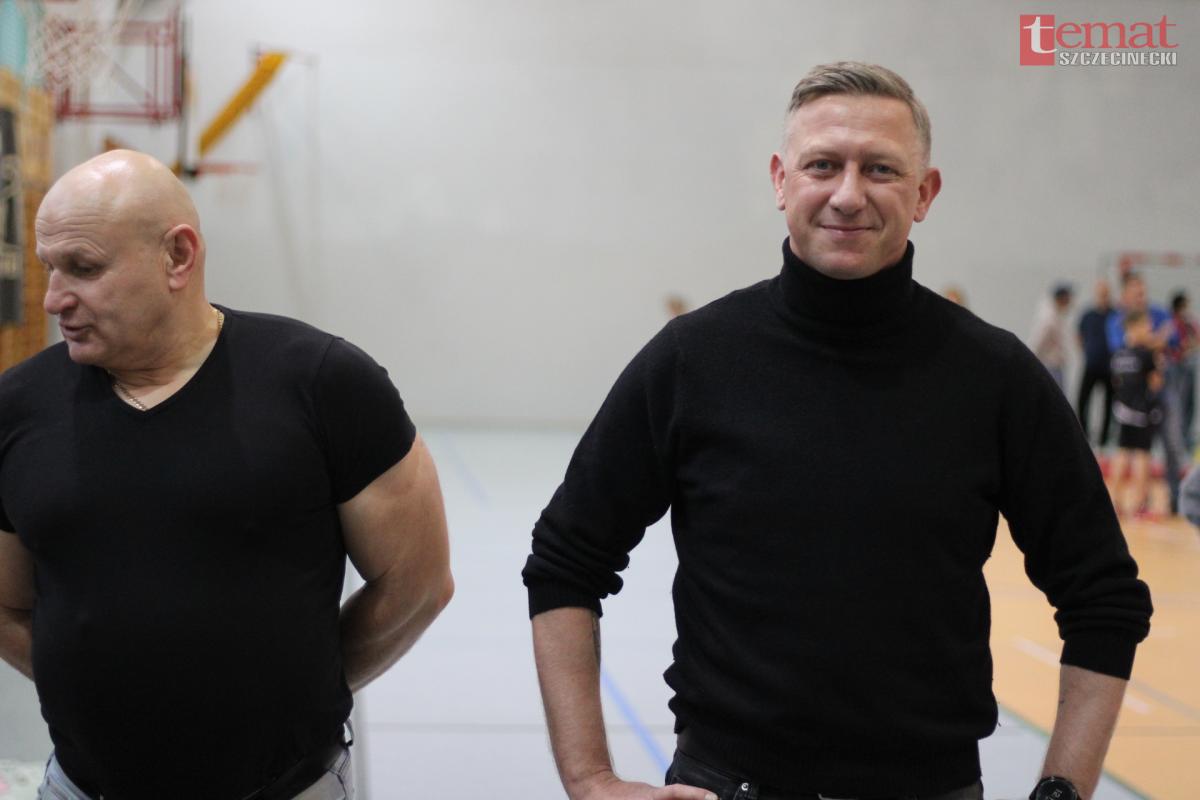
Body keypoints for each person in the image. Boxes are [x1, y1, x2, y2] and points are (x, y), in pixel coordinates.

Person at [522, 62, 1151, 800]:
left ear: (925, 193)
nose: (848, 194)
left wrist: (1063, 791)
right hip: (725, 785)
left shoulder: (996, 377)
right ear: (781, 180)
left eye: (880, 169)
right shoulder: (694, 360)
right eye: (823, 165)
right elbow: (565, 560)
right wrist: (590, 778)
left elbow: (1103, 597)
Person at [0, 150, 455, 800]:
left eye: (85, 268)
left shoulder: (322, 385)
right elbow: (6, 604)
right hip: (82, 788)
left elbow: (418, 583)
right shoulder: (18, 409)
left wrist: (302, 694)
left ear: (178, 257)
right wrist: (101, 699)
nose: (52, 300)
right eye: (49, 267)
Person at [1109, 311, 1165, 517]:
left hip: (1122, 410)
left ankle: (1115, 501)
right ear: (1134, 327)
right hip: (1141, 411)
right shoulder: (1146, 355)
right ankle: (1140, 505)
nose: (1150, 330)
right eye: (1146, 326)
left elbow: (1116, 382)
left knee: (1122, 452)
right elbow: (1156, 383)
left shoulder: (1119, 354)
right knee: (1142, 454)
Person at [1076, 279, 1115, 445]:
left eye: (1105, 294)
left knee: (1109, 404)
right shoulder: (1088, 315)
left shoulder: (1114, 315)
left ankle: (1104, 438)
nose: (1103, 297)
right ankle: (1083, 434)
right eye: (1100, 294)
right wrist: (1086, 351)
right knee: (1082, 400)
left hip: (1109, 367)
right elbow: (1079, 335)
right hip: (1091, 364)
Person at [1165, 290, 1197, 453]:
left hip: (1188, 365)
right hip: (1175, 367)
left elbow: (1196, 340)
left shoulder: (1189, 323)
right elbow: (1171, 344)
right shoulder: (1171, 323)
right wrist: (1183, 347)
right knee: (1177, 404)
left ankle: (1186, 439)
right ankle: (1177, 442)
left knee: (1189, 404)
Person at [1028, 282, 1074, 390]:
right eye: (1068, 298)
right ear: (1062, 298)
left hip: (1055, 367)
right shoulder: (1049, 320)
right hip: (1050, 367)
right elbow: (1036, 344)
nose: (1070, 302)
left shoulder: (1056, 316)